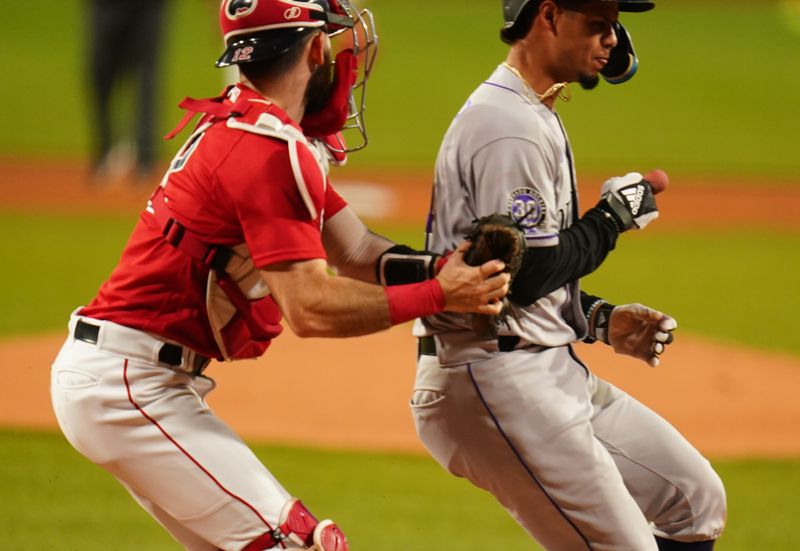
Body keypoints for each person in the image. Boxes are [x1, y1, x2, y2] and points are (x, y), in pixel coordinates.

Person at [51, 1, 510, 549]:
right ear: (314, 48)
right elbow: (310, 308)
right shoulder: (266, 149)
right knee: (301, 541)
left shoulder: (250, 125)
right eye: (330, 39)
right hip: (127, 386)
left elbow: (358, 249)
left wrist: (448, 268)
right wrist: (438, 295)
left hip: (135, 381)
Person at [410, 1, 727, 549]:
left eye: (615, 27)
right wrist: (610, 219)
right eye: (599, 25)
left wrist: (597, 320)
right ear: (549, 16)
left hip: (542, 368)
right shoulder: (506, 127)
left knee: (694, 500)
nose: (613, 40)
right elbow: (527, 276)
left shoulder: (533, 112)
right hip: (491, 380)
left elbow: (510, 276)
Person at [87, 0, 169, 181]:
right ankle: (104, 151)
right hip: (106, 7)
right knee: (100, 76)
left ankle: (145, 158)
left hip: (148, 8)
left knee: (146, 80)